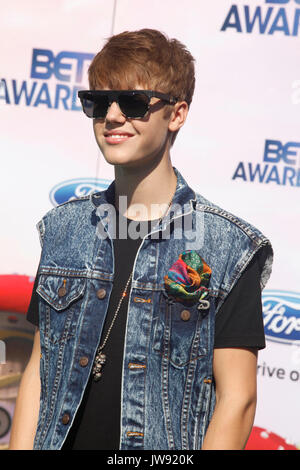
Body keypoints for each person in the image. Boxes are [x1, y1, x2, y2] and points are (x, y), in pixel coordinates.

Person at [9, 29, 273, 450]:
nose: (112, 116)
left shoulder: (230, 247)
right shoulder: (63, 230)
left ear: (177, 114)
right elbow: (40, 372)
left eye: (132, 102)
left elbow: (237, 400)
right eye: (97, 103)